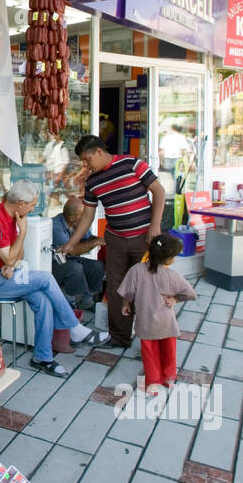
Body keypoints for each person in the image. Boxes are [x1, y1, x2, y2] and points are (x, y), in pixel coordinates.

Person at [0, 181, 109, 378]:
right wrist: (23, 233)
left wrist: (11, 264)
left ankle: (42, 358)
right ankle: (75, 329)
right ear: (20, 203)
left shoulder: (13, 217)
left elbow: (18, 256)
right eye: (32, 204)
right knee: (45, 278)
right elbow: (12, 255)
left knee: (43, 301)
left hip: (3, 275)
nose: (34, 208)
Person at [61, 135, 166, 351]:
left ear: (99, 152)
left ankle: (152, 341)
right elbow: (88, 216)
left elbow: (159, 191)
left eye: (87, 159)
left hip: (143, 237)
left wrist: (154, 226)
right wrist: (72, 242)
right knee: (117, 288)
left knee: (147, 288)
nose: (85, 165)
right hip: (116, 240)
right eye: (82, 161)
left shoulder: (132, 164)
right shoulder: (92, 181)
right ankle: (119, 337)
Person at [118, 232, 197, 392]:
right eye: (173, 257)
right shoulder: (172, 275)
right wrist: (175, 299)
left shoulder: (137, 270)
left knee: (150, 353)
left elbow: (128, 292)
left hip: (146, 322)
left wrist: (126, 304)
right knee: (169, 350)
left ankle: (152, 383)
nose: (174, 260)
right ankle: (169, 378)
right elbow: (190, 293)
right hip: (166, 323)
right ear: (167, 259)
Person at [51, 196, 105, 309]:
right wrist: (95, 242)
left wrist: (101, 240)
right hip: (54, 265)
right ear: (72, 218)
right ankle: (71, 304)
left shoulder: (76, 223)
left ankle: (87, 301)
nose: (86, 218)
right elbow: (71, 251)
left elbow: (89, 239)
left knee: (97, 266)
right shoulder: (56, 227)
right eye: (83, 216)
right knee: (75, 268)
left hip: (70, 260)